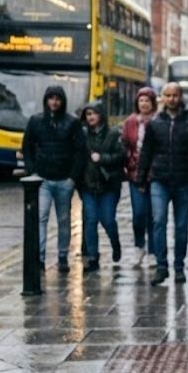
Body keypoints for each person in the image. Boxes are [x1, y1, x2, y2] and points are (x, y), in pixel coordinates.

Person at [137, 82, 188, 286]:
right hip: (159, 179)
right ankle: (161, 266)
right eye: (167, 95)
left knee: (181, 225)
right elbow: (146, 153)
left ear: (180, 96)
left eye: (175, 95)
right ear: (162, 98)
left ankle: (178, 267)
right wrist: (141, 179)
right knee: (158, 221)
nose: (171, 99)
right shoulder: (155, 122)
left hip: (184, 180)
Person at [21, 86, 85, 274]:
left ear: (62, 101)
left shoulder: (72, 122)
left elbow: (80, 151)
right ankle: (39, 259)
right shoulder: (36, 121)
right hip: (43, 180)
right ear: (46, 100)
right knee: (41, 218)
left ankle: (62, 256)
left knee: (64, 220)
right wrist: (32, 171)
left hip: (64, 179)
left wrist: (73, 177)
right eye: (51, 98)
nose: (54, 102)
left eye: (58, 99)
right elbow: (27, 147)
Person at [76, 101, 124, 271]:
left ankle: (115, 243)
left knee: (108, 219)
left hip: (108, 185)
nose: (91, 117)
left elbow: (121, 155)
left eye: (93, 113)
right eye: (88, 114)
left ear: (101, 115)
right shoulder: (81, 135)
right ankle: (93, 256)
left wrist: (102, 158)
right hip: (88, 185)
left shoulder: (113, 134)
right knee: (90, 220)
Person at [121, 87, 158, 266]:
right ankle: (138, 246)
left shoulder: (158, 121)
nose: (144, 104)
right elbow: (125, 144)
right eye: (141, 101)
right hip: (135, 174)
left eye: (147, 101)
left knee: (153, 214)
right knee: (139, 213)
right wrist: (128, 161)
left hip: (155, 175)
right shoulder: (130, 122)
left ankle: (153, 250)